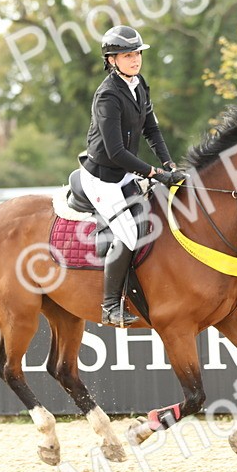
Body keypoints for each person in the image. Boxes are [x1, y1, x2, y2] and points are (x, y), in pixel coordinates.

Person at [80, 24, 184, 326]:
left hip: (124, 172)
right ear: (111, 60)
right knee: (129, 232)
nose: (135, 59)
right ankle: (110, 306)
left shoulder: (139, 84)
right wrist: (153, 172)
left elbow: (152, 130)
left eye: (137, 53)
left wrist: (169, 165)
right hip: (102, 177)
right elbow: (115, 152)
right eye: (127, 55)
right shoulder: (107, 96)